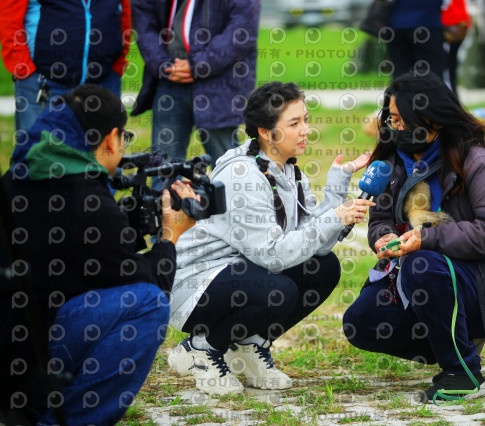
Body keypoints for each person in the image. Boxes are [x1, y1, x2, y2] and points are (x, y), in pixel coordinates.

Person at [342, 73, 485, 403]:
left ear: (433, 120)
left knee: (422, 262)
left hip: (480, 283)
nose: (395, 127)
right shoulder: (391, 163)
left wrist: (426, 238)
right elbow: (381, 220)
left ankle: (464, 374)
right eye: (391, 118)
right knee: (360, 322)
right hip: (416, 277)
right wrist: (383, 237)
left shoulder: (476, 161)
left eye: (403, 120)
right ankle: (453, 341)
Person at [0, 84, 196, 424]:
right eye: (125, 139)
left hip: (12, 354)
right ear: (110, 139)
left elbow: (82, 262)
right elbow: (152, 282)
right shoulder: (87, 199)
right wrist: (169, 235)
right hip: (28, 362)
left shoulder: (17, 178)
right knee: (148, 303)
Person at [166, 81, 375, 396]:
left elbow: (313, 244)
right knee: (279, 290)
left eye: (306, 119)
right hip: (196, 283)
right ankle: (201, 349)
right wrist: (335, 218)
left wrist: (337, 188)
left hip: (239, 270)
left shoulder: (286, 168)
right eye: (294, 123)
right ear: (266, 132)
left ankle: (249, 346)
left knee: (324, 267)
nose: (306, 130)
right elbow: (274, 256)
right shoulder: (242, 177)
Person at [132, 0, 260, 188]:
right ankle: (165, 207)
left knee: (228, 166)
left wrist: (199, 64)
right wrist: (163, 64)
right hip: (170, 78)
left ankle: (238, 206)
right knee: (163, 168)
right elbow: (144, 18)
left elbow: (242, 29)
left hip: (218, 81)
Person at [0, 0, 131, 133]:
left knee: (104, 143)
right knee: (40, 144)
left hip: (105, 79)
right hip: (43, 81)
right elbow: (9, 17)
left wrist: (119, 61)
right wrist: (23, 68)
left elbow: (124, 8)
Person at [387, 0, 446, 80]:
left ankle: (401, 87)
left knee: (400, 73)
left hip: (398, 23)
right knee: (430, 72)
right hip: (428, 23)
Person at [441, 0, 471, 97]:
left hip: (448, 21)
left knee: (447, 62)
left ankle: (451, 93)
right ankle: (453, 93)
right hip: (458, 21)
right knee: (451, 61)